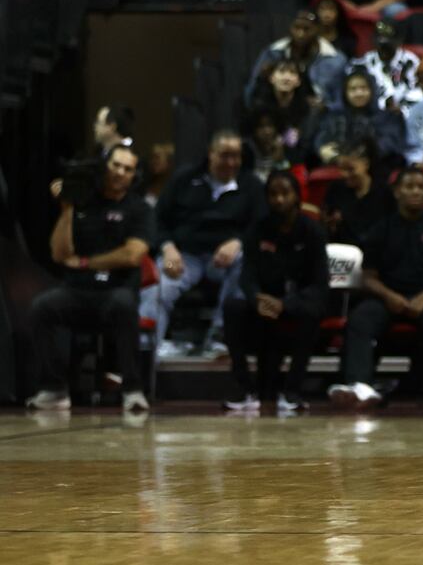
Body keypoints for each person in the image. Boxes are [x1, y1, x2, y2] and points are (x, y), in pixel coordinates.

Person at [27, 146, 151, 414]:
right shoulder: (83, 202)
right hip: (78, 291)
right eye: (116, 165)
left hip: (115, 291)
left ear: (134, 176)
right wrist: (67, 209)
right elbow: (59, 254)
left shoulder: (139, 209)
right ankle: (54, 388)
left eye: (128, 169)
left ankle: (132, 390)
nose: (120, 172)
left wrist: (86, 262)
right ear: (105, 166)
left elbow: (132, 255)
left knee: (124, 304)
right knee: (42, 307)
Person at [329, 167, 423, 409]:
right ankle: (360, 386)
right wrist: (389, 296)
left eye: (421, 187)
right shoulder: (381, 229)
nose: (416, 192)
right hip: (387, 297)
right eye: (409, 186)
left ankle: (409, 386)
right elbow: (367, 277)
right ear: (397, 192)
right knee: (359, 320)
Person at [144, 130, 264, 360]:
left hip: (225, 259)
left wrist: (238, 242)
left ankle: (220, 336)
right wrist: (167, 248)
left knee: (247, 261)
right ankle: (146, 347)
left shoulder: (251, 185)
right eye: (224, 155)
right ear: (211, 154)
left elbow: (262, 226)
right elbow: (157, 220)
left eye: (235, 156)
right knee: (159, 280)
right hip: (184, 255)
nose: (230, 162)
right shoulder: (184, 179)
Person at [222, 170, 328, 413]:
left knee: (313, 311)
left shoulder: (313, 232)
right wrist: (256, 297)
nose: (279, 199)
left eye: (285, 193)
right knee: (233, 307)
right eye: (273, 194)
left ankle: (292, 391)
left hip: (297, 303)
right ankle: (245, 389)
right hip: (264, 302)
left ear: (296, 197)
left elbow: (319, 284)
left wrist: (286, 303)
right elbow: (247, 276)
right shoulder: (256, 230)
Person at [313, 68, 406, 168]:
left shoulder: (386, 118)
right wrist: (323, 149)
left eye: (364, 88)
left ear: (372, 90)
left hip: (376, 167)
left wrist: (361, 154)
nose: (359, 93)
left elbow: (388, 144)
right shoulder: (334, 117)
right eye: (353, 89)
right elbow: (321, 140)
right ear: (345, 93)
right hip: (337, 166)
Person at [320, 139, 395, 246]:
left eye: (350, 169)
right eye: (341, 169)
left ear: (366, 164)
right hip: (344, 253)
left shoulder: (385, 193)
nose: (344, 174)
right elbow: (327, 228)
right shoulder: (335, 189)